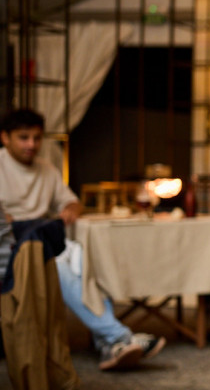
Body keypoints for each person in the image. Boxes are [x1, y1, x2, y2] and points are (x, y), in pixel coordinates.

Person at [0, 108, 165, 371]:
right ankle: (117, 338)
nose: (31, 144)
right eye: (23, 137)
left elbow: (72, 202)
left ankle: (111, 344)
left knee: (89, 260)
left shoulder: (47, 169)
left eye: (36, 138)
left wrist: (69, 210)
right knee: (56, 265)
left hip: (45, 238)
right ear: (5, 137)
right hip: (11, 251)